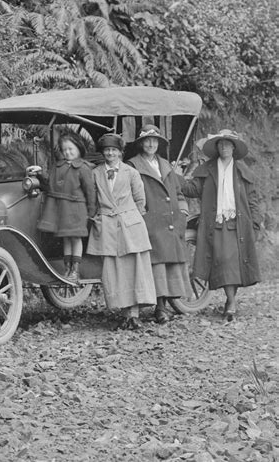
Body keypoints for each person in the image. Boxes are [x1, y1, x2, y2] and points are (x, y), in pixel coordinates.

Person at [180, 129, 261, 321]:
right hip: (215, 223)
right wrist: (176, 177)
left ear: (233, 147)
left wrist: (255, 223)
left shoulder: (242, 172)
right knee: (222, 261)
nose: (224, 147)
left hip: (237, 224)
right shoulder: (208, 169)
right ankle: (230, 301)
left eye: (228, 144)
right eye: (221, 144)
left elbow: (252, 199)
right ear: (217, 147)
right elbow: (192, 189)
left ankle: (230, 302)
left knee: (232, 263)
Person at [87, 133, 156, 330]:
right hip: (107, 226)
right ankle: (124, 313)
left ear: (120, 153)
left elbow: (140, 199)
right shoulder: (96, 173)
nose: (110, 153)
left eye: (114, 150)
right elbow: (92, 199)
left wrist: (131, 218)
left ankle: (134, 314)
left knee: (134, 267)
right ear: (103, 153)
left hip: (130, 225)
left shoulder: (130, 173)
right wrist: (98, 218)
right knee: (114, 270)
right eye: (107, 150)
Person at [127, 124, 192, 324]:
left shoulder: (165, 165)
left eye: (155, 141)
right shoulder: (133, 165)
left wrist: (182, 211)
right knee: (155, 264)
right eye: (147, 140)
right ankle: (158, 309)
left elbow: (178, 191)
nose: (151, 144)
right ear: (140, 144)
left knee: (167, 265)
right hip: (150, 220)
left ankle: (162, 306)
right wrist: (141, 215)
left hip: (171, 219)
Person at [37, 130, 96, 282]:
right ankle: (67, 269)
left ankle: (75, 270)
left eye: (71, 149)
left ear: (79, 149)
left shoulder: (83, 167)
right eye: (65, 150)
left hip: (77, 210)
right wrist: (38, 174)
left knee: (75, 238)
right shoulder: (57, 167)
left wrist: (91, 211)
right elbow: (50, 186)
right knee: (66, 239)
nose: (68, 152)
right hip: (62, 210)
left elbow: (90, 191)